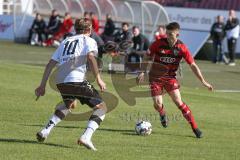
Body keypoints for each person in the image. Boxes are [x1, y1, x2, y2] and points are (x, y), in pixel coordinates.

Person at [35, 18, 107, 151]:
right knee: (101, 108)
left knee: (69, 104)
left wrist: (42, 85)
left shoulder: (65, 41)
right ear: (89, 30)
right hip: (75, 79)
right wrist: (98, 78)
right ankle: (86, 136)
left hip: (61, 81)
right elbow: (91, 58)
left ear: (75, 29)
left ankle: (45, 130)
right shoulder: (89, 40)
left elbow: (51, 63)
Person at [137, 22, 213, 138]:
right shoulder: (158, 44)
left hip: (170, 78)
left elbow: (193, 65)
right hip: (155, 77)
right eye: (167, 34)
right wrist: (142, 71)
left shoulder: (182, 48)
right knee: (157, 104)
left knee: (178, 101)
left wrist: (203, 81)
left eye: (170, 34)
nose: (168, 36)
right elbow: (147, 56)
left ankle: (195, 128)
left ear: (177, 34)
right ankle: (162, 114)